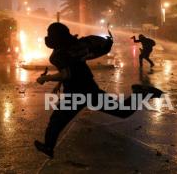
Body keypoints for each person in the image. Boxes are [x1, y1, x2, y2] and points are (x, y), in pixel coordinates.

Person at [34, 23, 163, 158]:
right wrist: (59, 84)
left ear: (55, 36)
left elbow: (67, 74)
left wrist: (46, 78)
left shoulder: (59, 54)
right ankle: (140, 93)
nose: (47, 37)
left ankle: (48, 146)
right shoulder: (72, 47)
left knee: (57, 120)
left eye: (50, 33)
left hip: (77, 93)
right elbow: (71, 68)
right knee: (121, 111)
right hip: (86, 88)